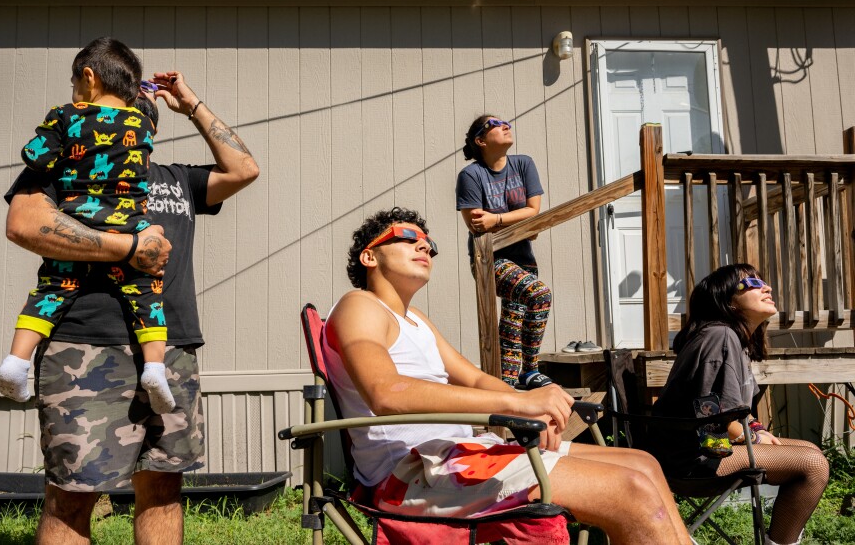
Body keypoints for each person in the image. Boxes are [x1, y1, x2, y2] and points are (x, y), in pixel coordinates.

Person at [323, 207, 694, 544]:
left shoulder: (416, 319)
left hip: (461, 456)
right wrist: (517, 401)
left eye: (429, 243)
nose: (424, 246)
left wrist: (529, 409)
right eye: (407, 238)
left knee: (643, 464)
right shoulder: (360, 305)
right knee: (628, 489)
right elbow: (386, 393)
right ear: (369, 256)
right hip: (412, 474)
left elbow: (477, 379)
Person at [4, 70, 259, 545]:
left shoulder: (177, 179)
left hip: (171, 349)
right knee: (73, 493)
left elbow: (244, 169)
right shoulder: (70, 165)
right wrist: (126, 247)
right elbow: (22, 224)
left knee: (163, 487)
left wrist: (193, 105)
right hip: (84, 347)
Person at [0, 37, 174, 414]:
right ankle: (155, 368)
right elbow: (146, 120)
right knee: (147, 291)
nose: (74, 92)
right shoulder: (141, 123)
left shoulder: (67, 115)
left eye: (75, 83)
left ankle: (16, 362)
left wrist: (51, 143)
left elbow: (36, 156)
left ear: (89, 77)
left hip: (77, 224)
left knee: (51, 290)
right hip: (130, 230)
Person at [652, 264, 829, 545]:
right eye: (752, 282)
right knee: (813, 465)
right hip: (692, 458)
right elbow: (710, 412)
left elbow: (736, 410)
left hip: (703, 447)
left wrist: (758, 430)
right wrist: (755, 437)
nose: (766, 287)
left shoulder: (730, 338)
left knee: (811, 450)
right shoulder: (720, 336)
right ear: (729, 301)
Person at [455, 115, 556, 390]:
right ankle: (531, 370)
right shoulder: (471, 175)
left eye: (506, 121)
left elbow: (533, 213)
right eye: (495, 124)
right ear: (481, 140)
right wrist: (519, 221)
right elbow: (476, 224)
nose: (505, 124)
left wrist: (497, 219)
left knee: (513, 326)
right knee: (540, 294)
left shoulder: (523, 164)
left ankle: (508, 386)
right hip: (491, 261)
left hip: (524, 259)